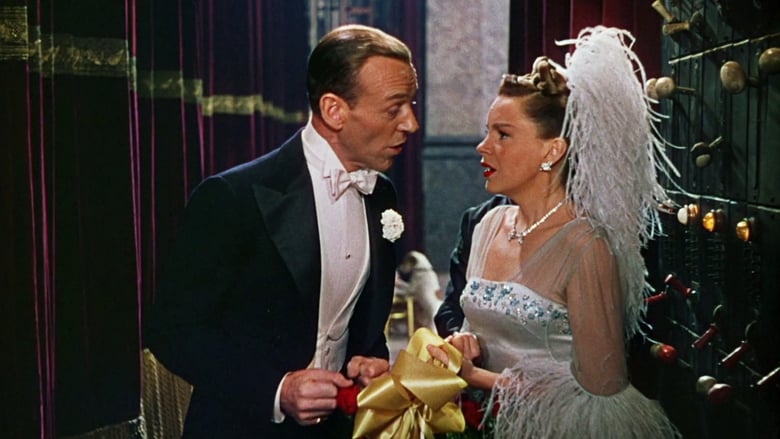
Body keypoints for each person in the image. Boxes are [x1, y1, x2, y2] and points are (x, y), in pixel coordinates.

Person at [145, 24, 419, 438]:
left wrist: (368, 361)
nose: (411, 123)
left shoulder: (382, 195)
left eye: (410, 104)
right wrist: (278, 390)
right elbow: (173, 331)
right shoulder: (234, 197)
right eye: (394, 108)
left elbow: (358, 324)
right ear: (334, 110)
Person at [427, 26, 679, 437]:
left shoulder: (586, 245)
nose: (483, 146)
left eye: (503, 134)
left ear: (552, 151)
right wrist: (462, 344)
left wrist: (477, 378)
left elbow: (601, 394)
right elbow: (477, 327)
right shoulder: (488, 225)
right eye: (487, 131)